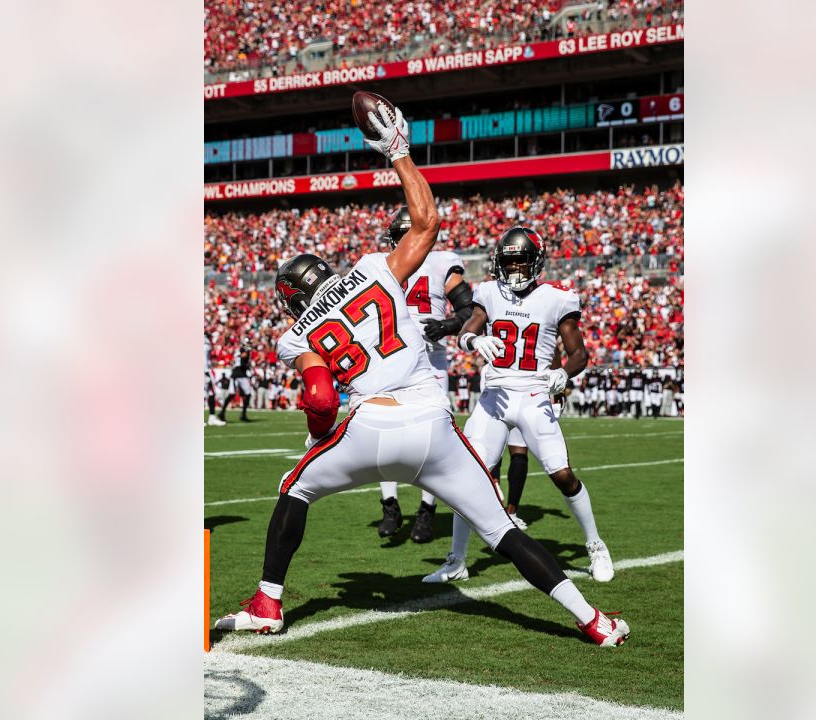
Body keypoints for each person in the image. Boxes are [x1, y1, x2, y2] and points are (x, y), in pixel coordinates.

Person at [215, 103, 629, 647]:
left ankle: (267, 603)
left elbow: (319, 398)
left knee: (295, 490)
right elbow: (428, 222)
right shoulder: (371, 268)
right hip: (433, 425)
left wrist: (320, 442)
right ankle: (594, 622)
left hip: (369, 427)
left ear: (292, 298)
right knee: (502, 530)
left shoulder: (294, 336)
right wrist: (399, 153)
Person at [425, 226, 615, 585]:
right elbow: (469, 327)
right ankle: (457, 559)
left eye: (520, 262)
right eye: (508, 262)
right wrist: (471, 341)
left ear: (536, 263)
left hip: (533, 396)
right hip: (495, 397)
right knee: (468, 476)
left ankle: (595, 544)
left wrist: (563, 374)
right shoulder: (489, 293)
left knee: (562, 474)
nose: (513, 270)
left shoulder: (557, 298)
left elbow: (580, 353)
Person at [371, 206, 475, 544]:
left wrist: (446, 326)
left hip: (429, 359)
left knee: (433, 437)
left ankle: (427, 511)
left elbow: (468, 310)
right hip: (389, 356)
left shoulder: (442, 262)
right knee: (381, 433)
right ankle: (390, 506)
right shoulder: (379, 264)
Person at [230, 340, 253, 422]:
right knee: (248, 394)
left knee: (233, 394)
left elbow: (232, 361)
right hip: (240, 373)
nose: (250, 345)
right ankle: (243, 414)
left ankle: (222, 413)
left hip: (236, 372)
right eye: (248, 343)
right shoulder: (244, 350)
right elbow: (243, 355)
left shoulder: (238, 350)